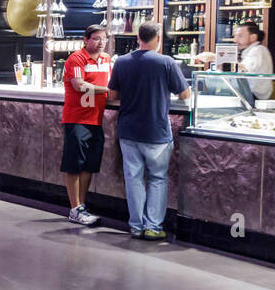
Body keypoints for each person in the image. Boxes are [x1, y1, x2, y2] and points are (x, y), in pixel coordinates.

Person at [107, 22, 192, 240]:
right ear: (158, 38)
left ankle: (136, 226)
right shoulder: (166, 62)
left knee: (133, 178)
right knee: (157, 178)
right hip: (156, 132)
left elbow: (112, 96)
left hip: (128, 131)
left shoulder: (122, 62)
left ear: (138, 38)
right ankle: (153, 227)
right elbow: (184, 95)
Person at [60, 25, 112, 227]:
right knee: (74, 164)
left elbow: (110, 83)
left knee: (89, 165)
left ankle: (81, 206)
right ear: (86, 40)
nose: (101, 42)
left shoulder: (107, 60)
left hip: (96, 119)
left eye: (104, 39)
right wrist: (107, 90)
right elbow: (79, 85)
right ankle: (75, 209)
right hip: (77, 119)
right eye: (97, 39)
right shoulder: (76, 58)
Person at [234, 20, 274, 102]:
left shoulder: (258, 50)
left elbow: (243, 69)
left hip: (254, 98)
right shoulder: (250, 51)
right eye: (235, 36)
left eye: (240, 36)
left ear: (253, 37)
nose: (235, 40)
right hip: (249, 97)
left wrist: (219, 59)